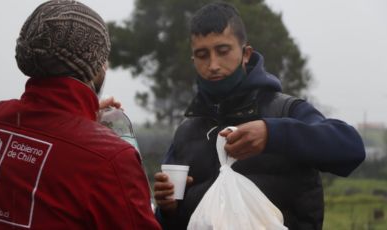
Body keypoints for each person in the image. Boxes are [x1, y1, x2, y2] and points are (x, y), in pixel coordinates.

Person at [153, 2, 365, 230]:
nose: (213, 65)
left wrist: (273, 134)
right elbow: (170, 223)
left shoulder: (284, 110)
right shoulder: (187, 132)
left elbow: (351, 149)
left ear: (246, 54)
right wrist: (167, 210)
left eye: (223, 51)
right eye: (202, 55)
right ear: (193, 60)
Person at [0, 1, 161, 229]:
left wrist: (86, 122)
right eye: (103, 58)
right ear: (95, 66)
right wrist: (93, 135)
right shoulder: (111, 158)